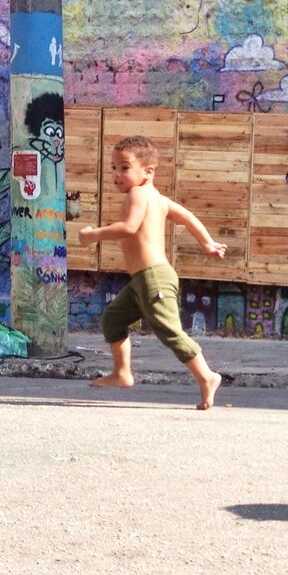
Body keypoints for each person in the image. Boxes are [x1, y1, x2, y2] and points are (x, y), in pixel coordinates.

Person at [78, 136, 226, 410]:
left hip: (153, 277)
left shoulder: (139, 194)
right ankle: (122, 373)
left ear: (148, 171)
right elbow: (187, 216)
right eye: (114, 168)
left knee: (169, 330)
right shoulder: (158, 198)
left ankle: (207, 376)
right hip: (142, 280)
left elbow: (129, 227)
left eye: (124, 167)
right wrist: (207, 243)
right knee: (113, 319)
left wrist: (93, 235)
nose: (117, 174)